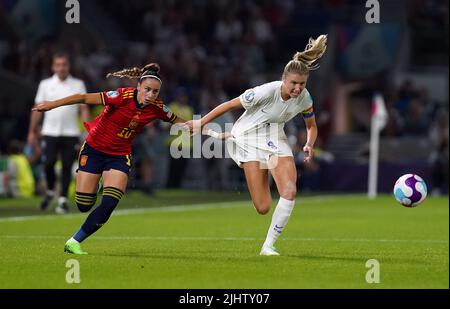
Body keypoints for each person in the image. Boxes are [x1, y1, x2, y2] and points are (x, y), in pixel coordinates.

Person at [32, 63, 206, 255]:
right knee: (83, 204)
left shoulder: (157, 108)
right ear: (138, 87)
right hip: (94, 150)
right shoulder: (121, 96)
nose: (150, 95)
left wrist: (200, 127)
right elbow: (82, 97)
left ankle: (74, 242)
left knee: (109, 203)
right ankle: (97, 180)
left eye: (155, 92)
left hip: (119, 155)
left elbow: (180, 121)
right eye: (147, 89)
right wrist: (52, 104)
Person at [186, 35, 327, 256]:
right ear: (284, 79)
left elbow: (312, 126)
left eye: (302, 84)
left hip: (275, 138)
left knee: (289, 191)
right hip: (247, 138)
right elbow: (228, 104)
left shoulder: (305, 98)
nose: (298, 88)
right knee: (263, 207)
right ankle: (263, 172)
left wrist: (309, 144)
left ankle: (268, 246)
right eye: (294, 83)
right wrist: (201, 122)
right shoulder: (265, 91)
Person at [28, 52, 90, 214]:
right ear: (53, 66)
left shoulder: (77, 84)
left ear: (68, 66)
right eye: (58, 64)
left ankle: (62, 199)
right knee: (48, 163)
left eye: (64, 64)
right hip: (50, 131)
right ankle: (50, 191)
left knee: (67, 166)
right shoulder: (45, 84)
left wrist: (87, 129)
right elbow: (37, 109)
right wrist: (32, 131)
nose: (61, 68)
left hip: (71, 132)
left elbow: (84, 108)